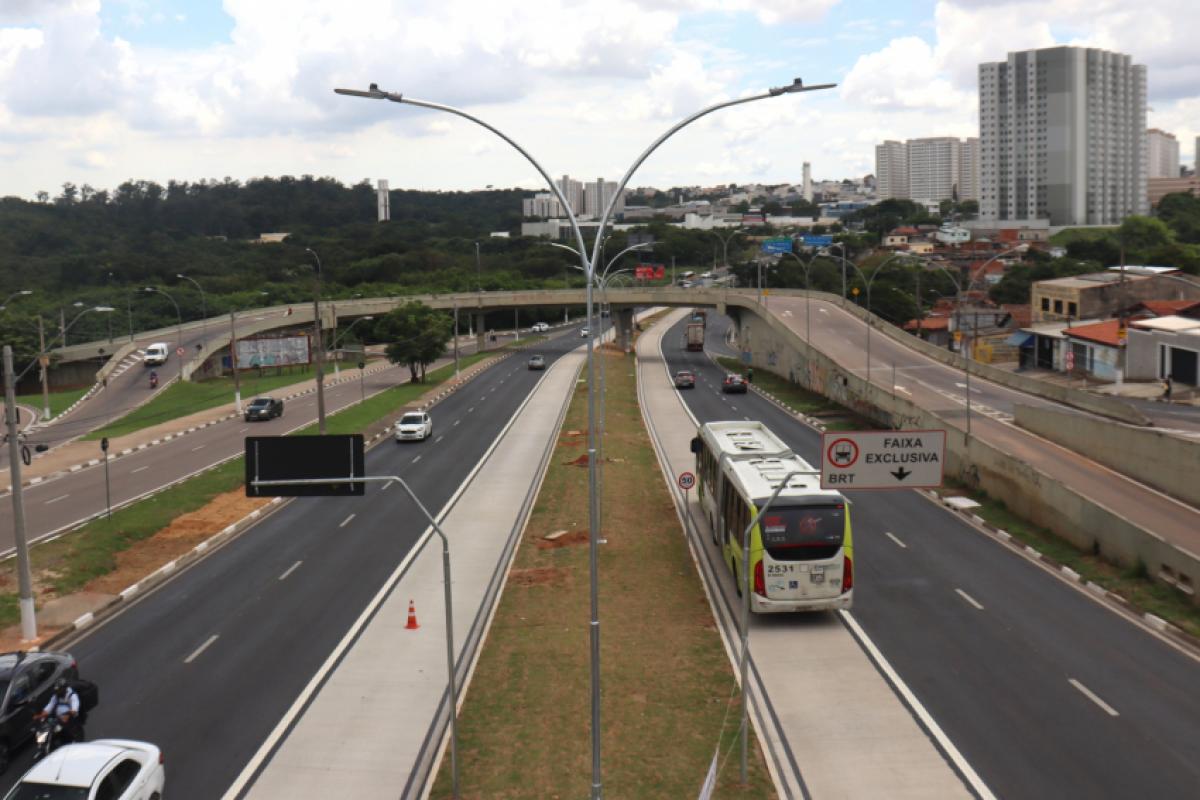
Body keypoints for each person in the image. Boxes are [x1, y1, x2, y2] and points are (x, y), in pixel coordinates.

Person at [34, 679, 82, 745]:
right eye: (56, 691)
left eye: (59, 690)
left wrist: (67, 716)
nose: (57, 692)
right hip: (58, 719)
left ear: (64, 689)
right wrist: (41, 716)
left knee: (65, 733)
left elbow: (74, 710)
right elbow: (49, 707)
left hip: (70, 719)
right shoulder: (56, 696)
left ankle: (71, 742)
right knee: (45, 727)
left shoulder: (72, 696)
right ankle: (42, 744)